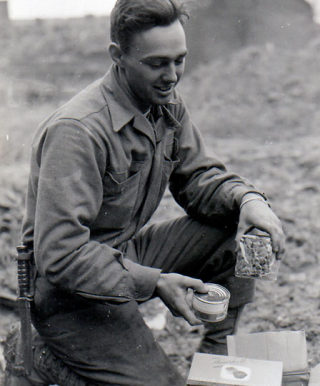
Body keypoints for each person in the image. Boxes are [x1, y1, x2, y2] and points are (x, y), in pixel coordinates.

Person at [16, 0, 285, 384]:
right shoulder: (78, 131)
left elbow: (198, 179)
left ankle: (216, 355)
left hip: (127, 256)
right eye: (157, 63)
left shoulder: (165, 104)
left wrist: (248, 200)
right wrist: (155, 281)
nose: (172, 75)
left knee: (233, 227)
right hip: (69, 296)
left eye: (179, 60)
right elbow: (60, 256)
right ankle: (44, 357)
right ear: (118, 56)